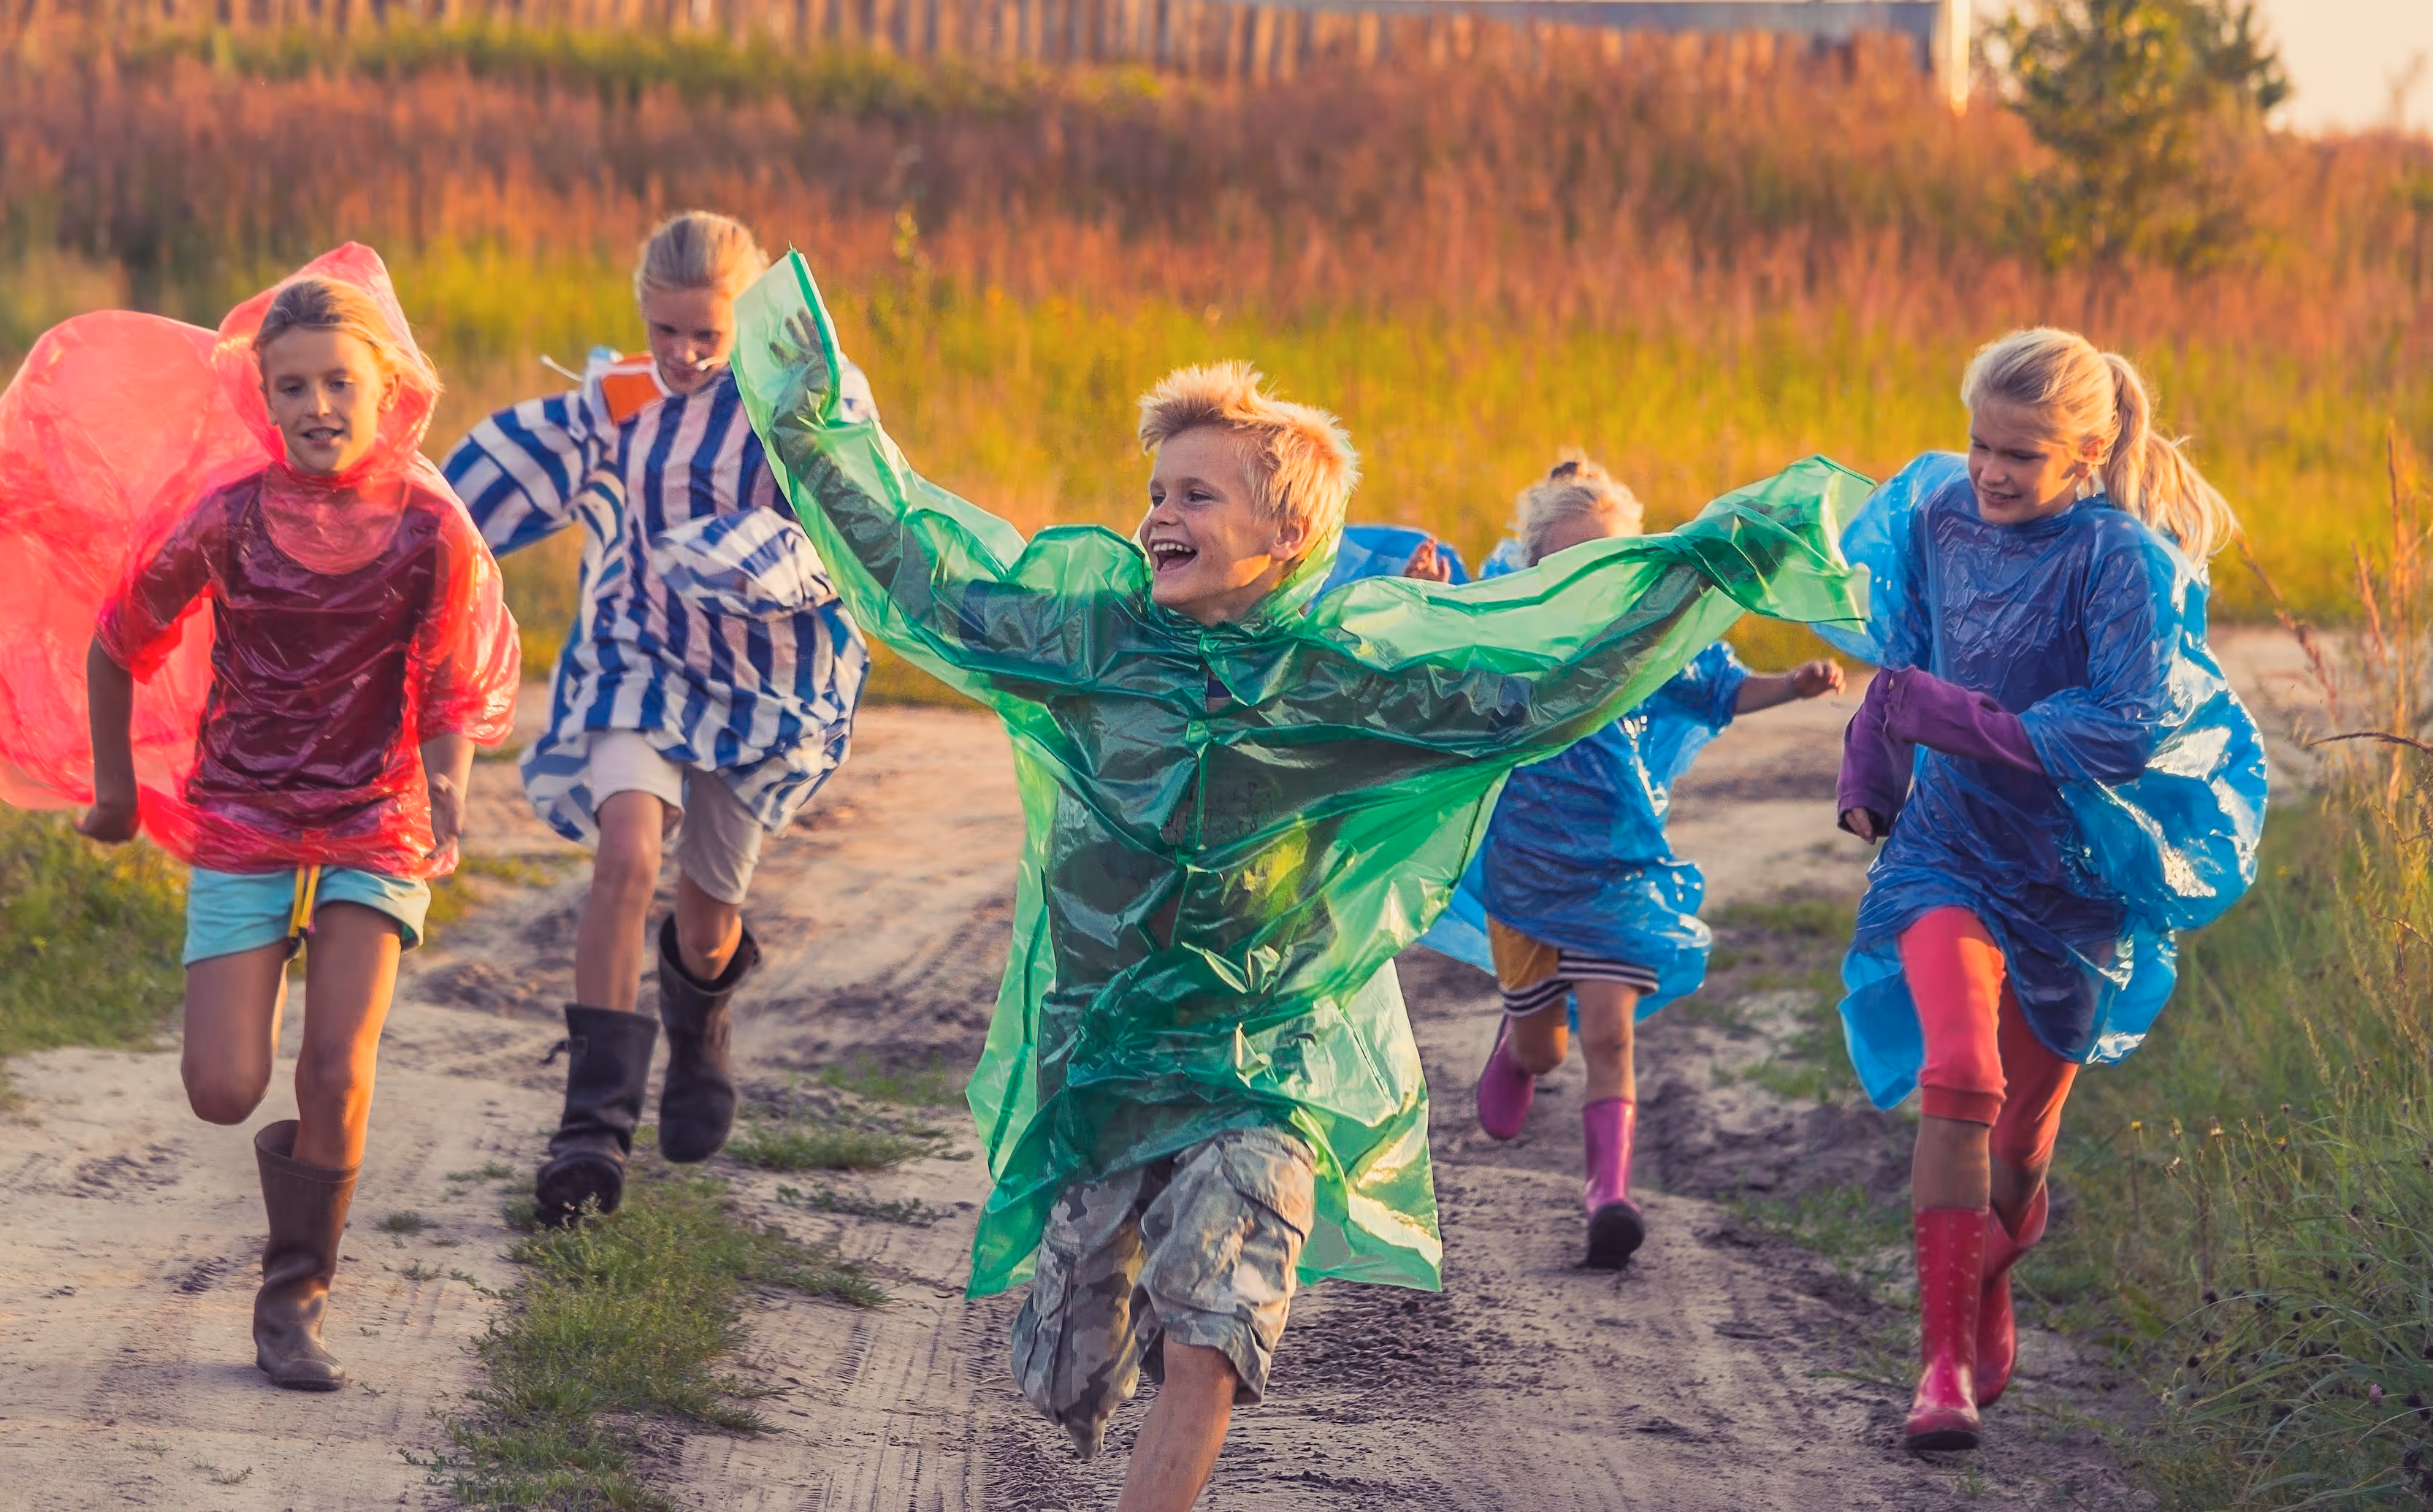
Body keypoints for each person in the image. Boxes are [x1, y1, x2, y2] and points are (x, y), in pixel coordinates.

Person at [729, 251, 1869, 1511]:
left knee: (1219, 1317)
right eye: (1155, 490)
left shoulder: (1342, 680)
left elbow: (1534, 680)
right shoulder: (1093, 639)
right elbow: (924, 571)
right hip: (1106, 1051)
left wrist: (1712, 564)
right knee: (1065, 1371)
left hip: (1270, 1056)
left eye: (1198, 495)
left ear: (1287, 536)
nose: (1160, 514)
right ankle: (1118, 1302)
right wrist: (813, 419)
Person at [0, 251, 520, 1392]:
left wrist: (451, 785)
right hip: (242, 805)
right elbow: (115, 637)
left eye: (340, 381)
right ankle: (276, 1022)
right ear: (263, 398)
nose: (318, 406)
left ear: (387, 387)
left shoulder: (430, 530)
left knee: (336, 1064)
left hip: (374, 817)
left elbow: (451, 682)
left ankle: (295, 1297)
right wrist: (108, 790)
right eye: (291, 386)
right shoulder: (230, 518)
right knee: (224, 1086)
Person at [1822, 327, 2266, 1452]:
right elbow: (1904, 668)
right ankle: (1937, 1373)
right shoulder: (1940, 521)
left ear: (2088, 450)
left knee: (2022, 1148)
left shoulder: (2123, 560)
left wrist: (1967, 721)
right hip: (1942, 849)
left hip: (2075, 870)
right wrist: (1872, 775)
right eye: (1979, 442)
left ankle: (1990, 1270)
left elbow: (2121, 729)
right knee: (1958, 1073)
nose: (1990, 470)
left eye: (2021, 452)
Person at [443, 212, 871, 1228]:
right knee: (626, 854)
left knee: (705, 912)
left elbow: (855, 523)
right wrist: (403, 536)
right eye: (665, 329)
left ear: (744, 323)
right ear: (643, 312)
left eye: (704, 336)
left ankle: (702, 1021)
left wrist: (760, 555)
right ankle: (589, 1128)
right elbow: (484, 489)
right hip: (636, 655)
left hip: (760, 681)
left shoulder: (798, 405)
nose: (681, 355)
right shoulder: (618, 405)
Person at [1437, 454, 1844, 1272]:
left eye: (1609, 561)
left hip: (1619, 871)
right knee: (1543, 1049)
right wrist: (1430, 578)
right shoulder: (1507, 636)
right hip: (1524, 877)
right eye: (1569, 562)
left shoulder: (1647, 642)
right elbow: (1431, 657)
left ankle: (1606, 1197)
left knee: (1611, 1039)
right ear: (1530, 566)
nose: (1592, 579)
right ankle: (1515, 1050)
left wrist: (1793, 685)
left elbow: (1717, 689)